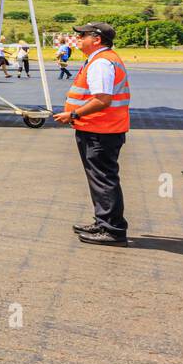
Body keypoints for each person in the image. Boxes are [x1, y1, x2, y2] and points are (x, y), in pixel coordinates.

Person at [54, 22, 131, 246]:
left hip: (100, 130)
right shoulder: (101, 59)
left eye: (82, 36)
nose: (78, 39)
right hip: (100, 129)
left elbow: (102, 99)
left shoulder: (101, 63)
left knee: (103, 179)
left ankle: (112, 230)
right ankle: (103, 221)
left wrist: (73, 114)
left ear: (96, 39)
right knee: (99, 178)